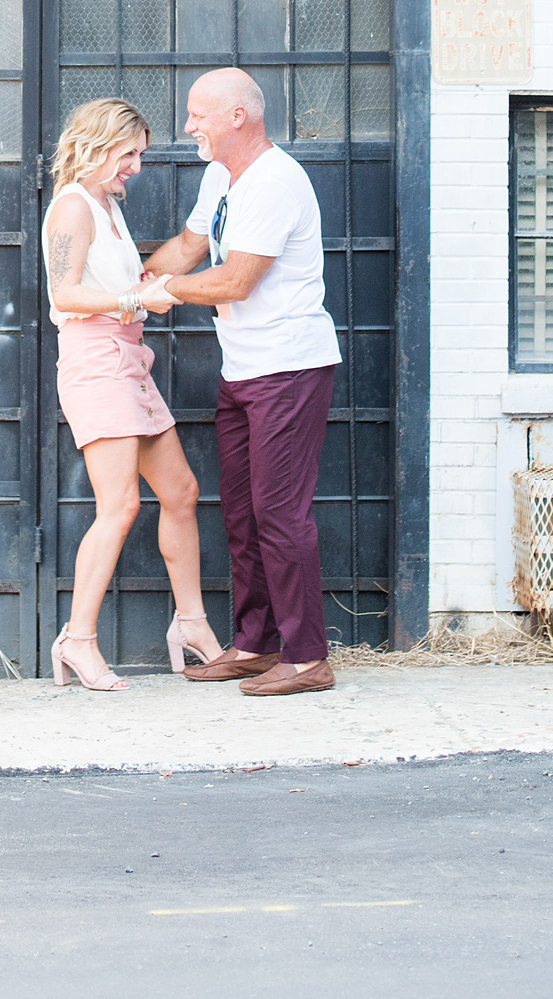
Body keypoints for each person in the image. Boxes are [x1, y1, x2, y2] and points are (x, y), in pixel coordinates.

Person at [138, 67, 341, 695]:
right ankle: (256, 644)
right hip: (244, 368)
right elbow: (188, 247)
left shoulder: (276, 181)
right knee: (245, 515)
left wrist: (162, 292)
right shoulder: (220, 175)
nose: (188, 125)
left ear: (237, 117)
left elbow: (234, 282)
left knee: (281, 515)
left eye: (199, 114)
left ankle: (308, 657)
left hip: (288, 368)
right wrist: (129, 279)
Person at [41, 96, 228, 692]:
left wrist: (145, 285)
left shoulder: (106, 205)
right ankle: (77, 640)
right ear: (97, 145)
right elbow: (64, 296)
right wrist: (132, 299)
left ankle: (192, 625)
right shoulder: (73, 207)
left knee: (181, 491)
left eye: (139, 156)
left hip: (128, 359)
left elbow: (118, 282)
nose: (136, 167)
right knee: (118, 507)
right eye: (129, 154)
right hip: (96, 361)